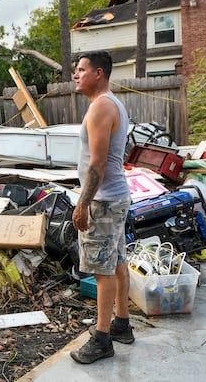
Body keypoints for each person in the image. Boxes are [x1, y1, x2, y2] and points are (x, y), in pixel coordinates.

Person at [70, 50, 134, 364]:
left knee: (101, 270)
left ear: (98, 73)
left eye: (81, 69)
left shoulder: (101, 108)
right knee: (118, 261)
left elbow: (97, 164)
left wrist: (83, 204)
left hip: (103, 201)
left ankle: (102, 338)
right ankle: (122, 323)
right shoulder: (112, 103)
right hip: (115, 197)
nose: (75, 75)